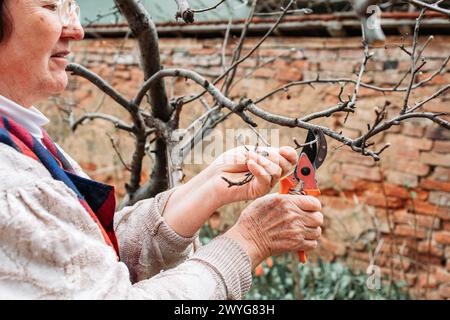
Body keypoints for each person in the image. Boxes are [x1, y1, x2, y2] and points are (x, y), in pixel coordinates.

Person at [0, 0, 324, 299]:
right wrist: (250, 241)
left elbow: (82, 264)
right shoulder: (11, 184)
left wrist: (206, 189)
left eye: (71, 6)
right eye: (51, 5)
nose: (76, 29)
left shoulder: (22, 136)